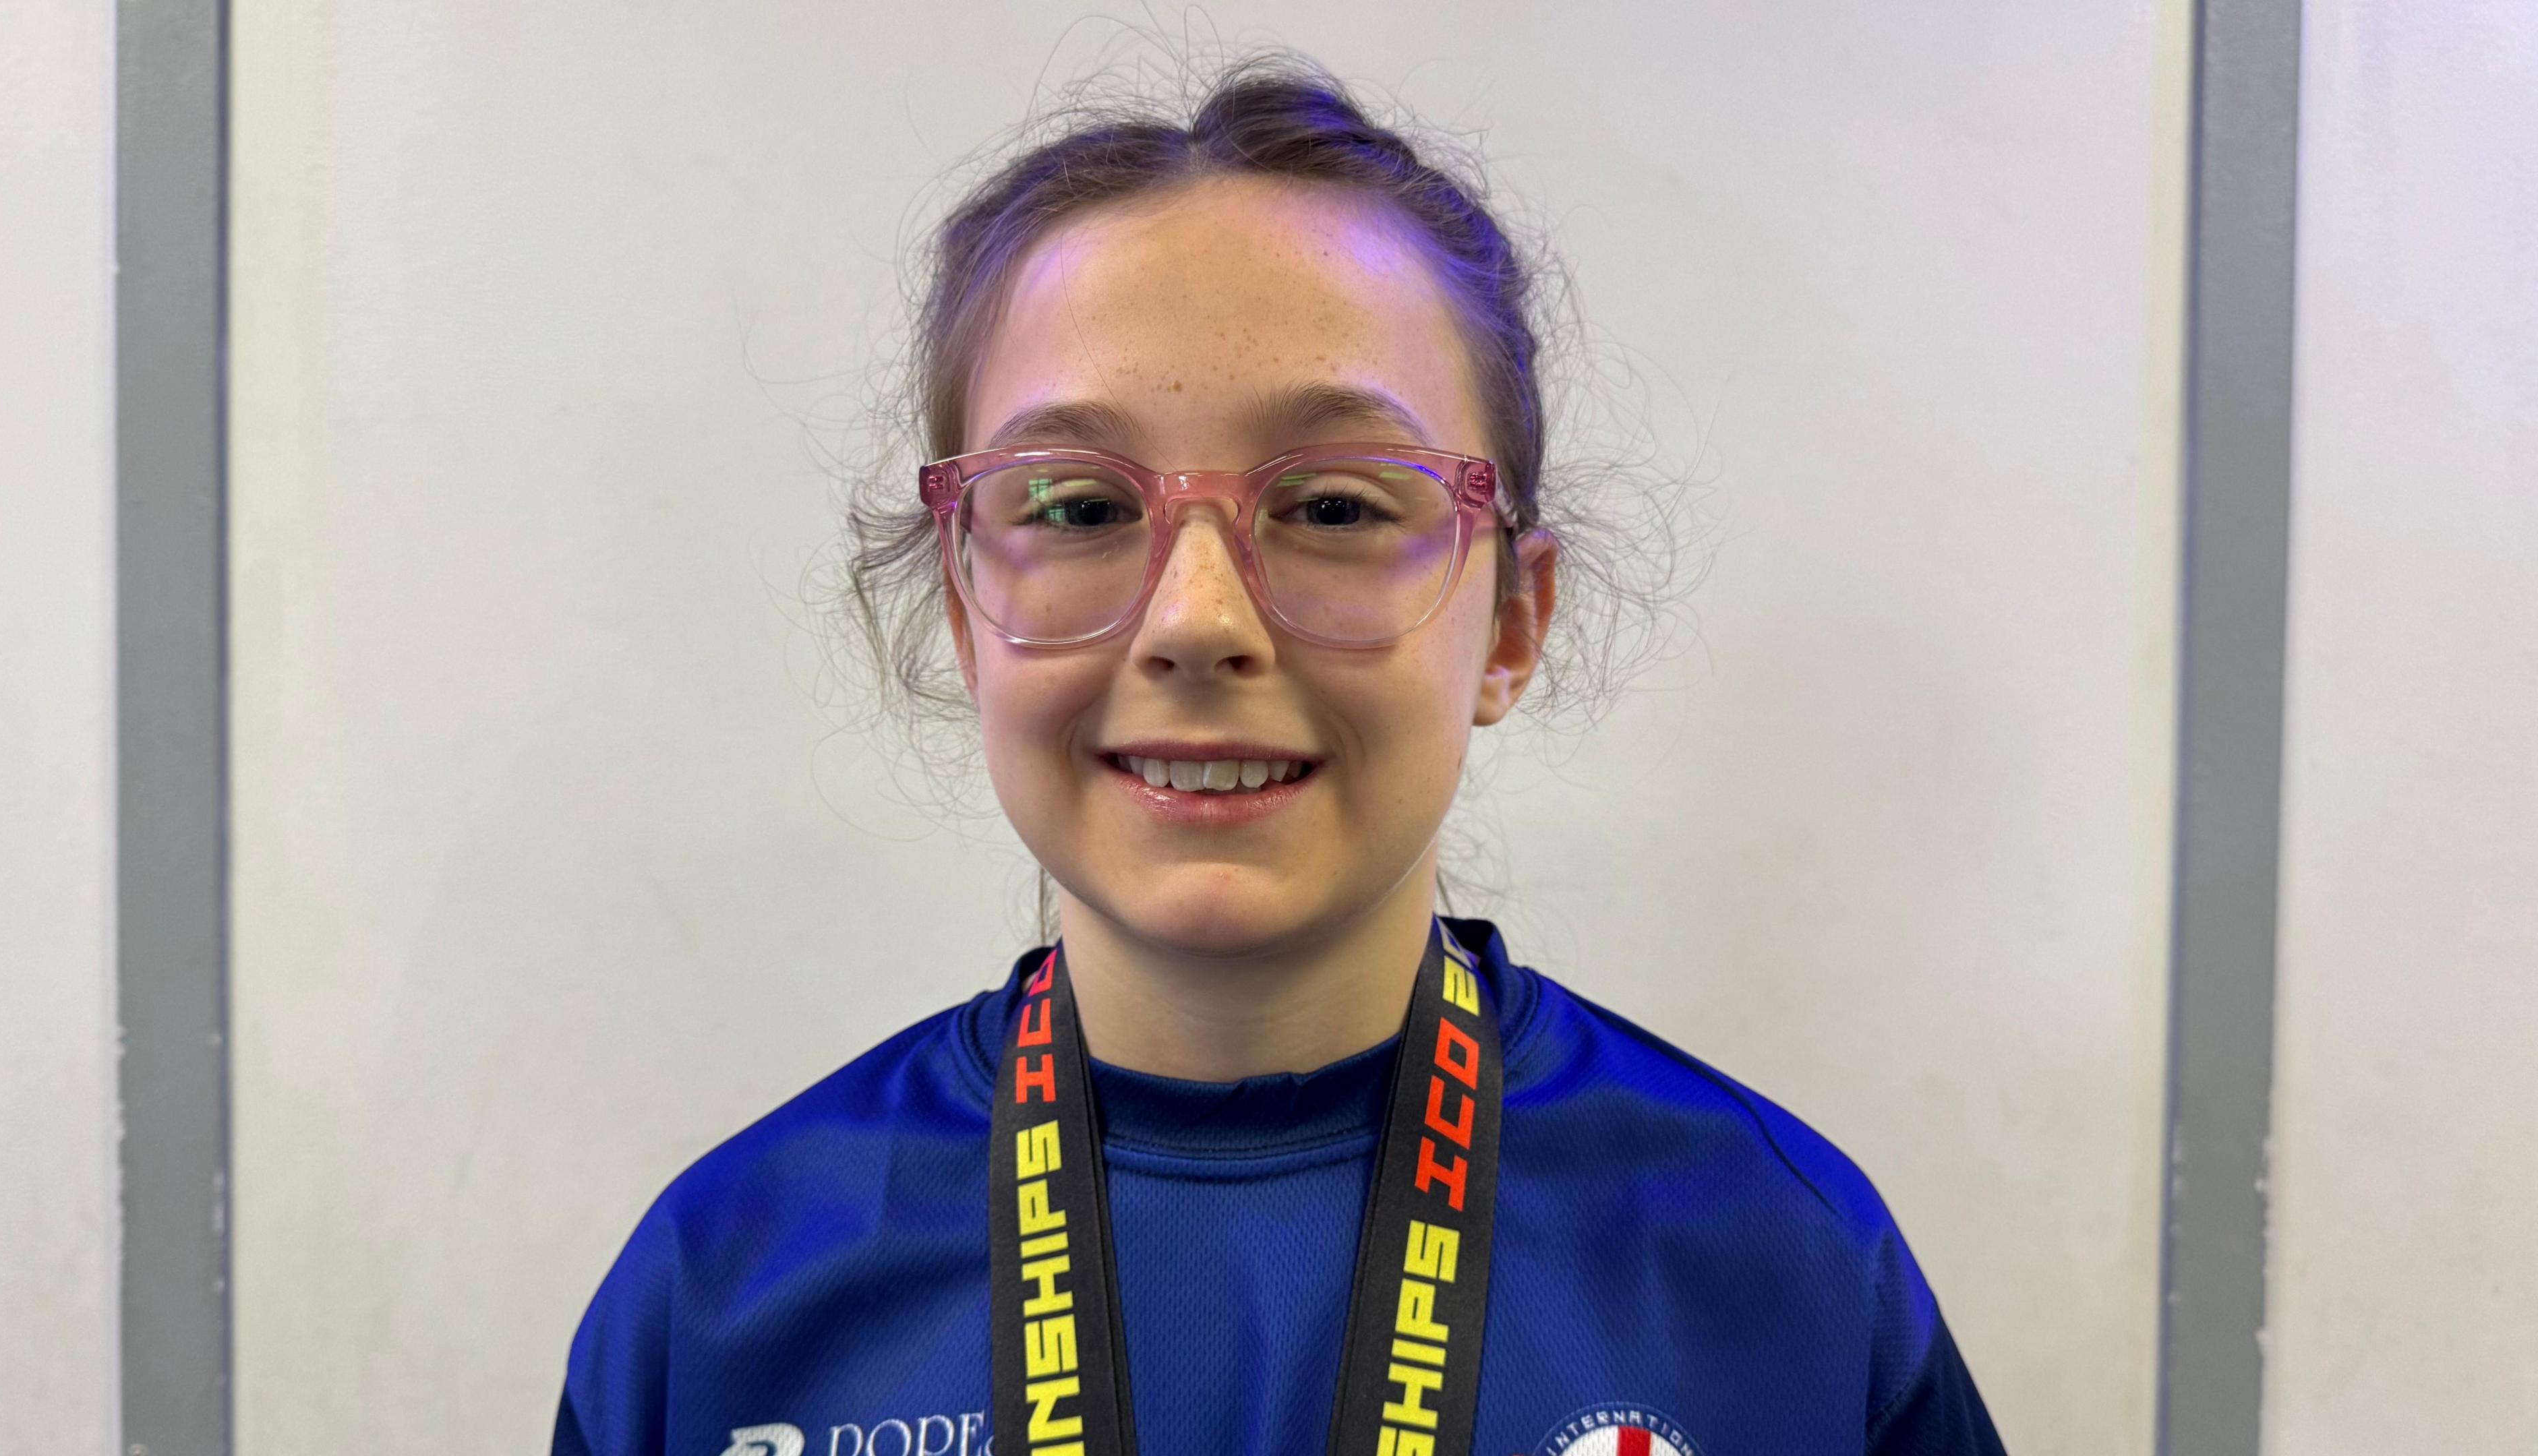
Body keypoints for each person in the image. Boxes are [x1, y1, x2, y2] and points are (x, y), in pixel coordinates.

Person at [554, 54, 2005, 1456]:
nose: (1198, 620)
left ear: (1512, 619)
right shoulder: (722, 1301)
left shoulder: (1787, 1275)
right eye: (1072, 508)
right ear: (962, 603)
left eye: (1332, 507)